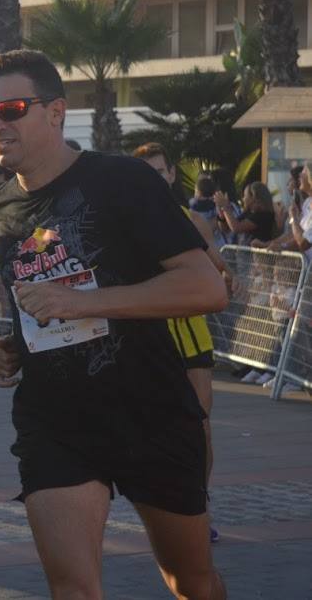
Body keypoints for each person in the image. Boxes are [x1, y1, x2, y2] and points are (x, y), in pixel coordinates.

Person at [0, 51, 227, 600]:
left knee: (192, 581)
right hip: (57, 421)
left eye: (12, 108)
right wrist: (14, 345)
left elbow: (206, 287)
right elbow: (41, 304)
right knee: (72, 588)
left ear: (57, 112)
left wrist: (82, 303)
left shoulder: (123, 181)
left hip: (149, 411)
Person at [133, 142, 232, 544]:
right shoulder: (126, 220)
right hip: (148, 336)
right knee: (153, 428)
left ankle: (197, 507)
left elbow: (218, 266)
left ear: (172, 174)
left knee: (200, 427)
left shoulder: (190, 218)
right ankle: (165, 508)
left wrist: (217, 275)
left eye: (160, 171)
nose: (155, 179)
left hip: (190, 333)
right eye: (146, 173)